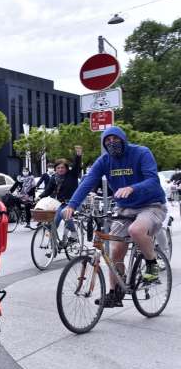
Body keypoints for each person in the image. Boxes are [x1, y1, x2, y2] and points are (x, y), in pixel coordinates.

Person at [62, 127, 167, 306]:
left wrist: (133, 188)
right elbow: (88, 181)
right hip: (125, 209)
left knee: (136, 230)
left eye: (115, 139)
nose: (111, 143)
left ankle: (152, 263)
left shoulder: (141, 153)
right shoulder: (104, 161)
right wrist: (72, 204)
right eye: (107, 140)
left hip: (152, 205)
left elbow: (153, 180)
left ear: (123, 139)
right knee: (115, 252)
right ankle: (115, 292)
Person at [39, 147, 82, 245]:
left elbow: (77, 165)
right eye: (58, 168)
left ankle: (74, 234)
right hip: (61, 203)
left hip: (74, 203)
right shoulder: (54, 178)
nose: (60, 169)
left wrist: (78, 155)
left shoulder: (72, 175)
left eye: (62, 167)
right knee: (54, 221)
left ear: (66, 168)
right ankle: (51, 243)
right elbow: (48, 191)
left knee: (64, 213)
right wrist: (39, 197)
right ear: (55, 169)